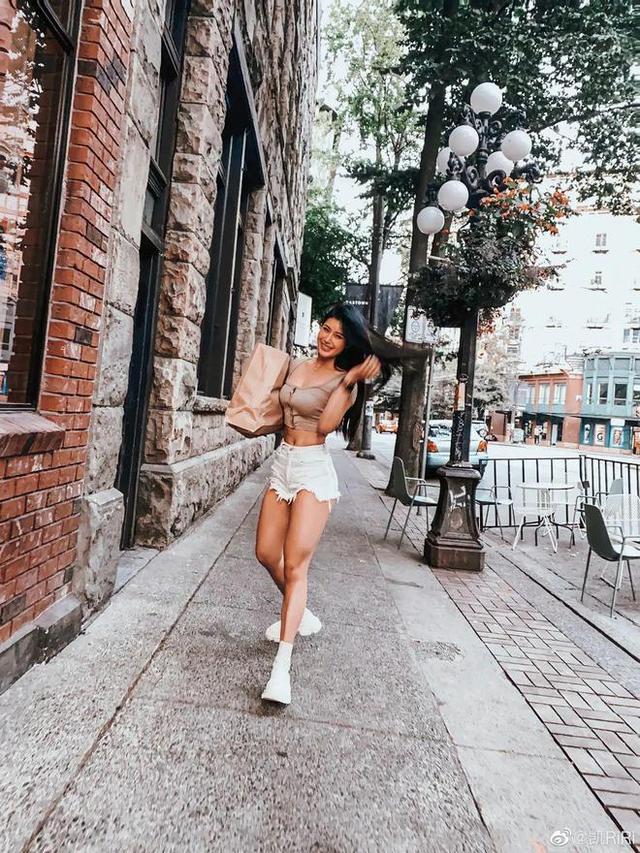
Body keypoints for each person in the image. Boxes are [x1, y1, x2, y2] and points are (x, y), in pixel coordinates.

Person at [255, 303, 398, 705]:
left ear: (348, 344)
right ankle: (301, 613)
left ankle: (281, 670)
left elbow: (325, 426)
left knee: (295, 566)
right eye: (326, 329)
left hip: (312, 471)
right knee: (266, 553)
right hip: (283, 462)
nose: (328, 338)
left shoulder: (344, 384)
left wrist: (349, 378)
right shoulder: (298, 365)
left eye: (338, 335)